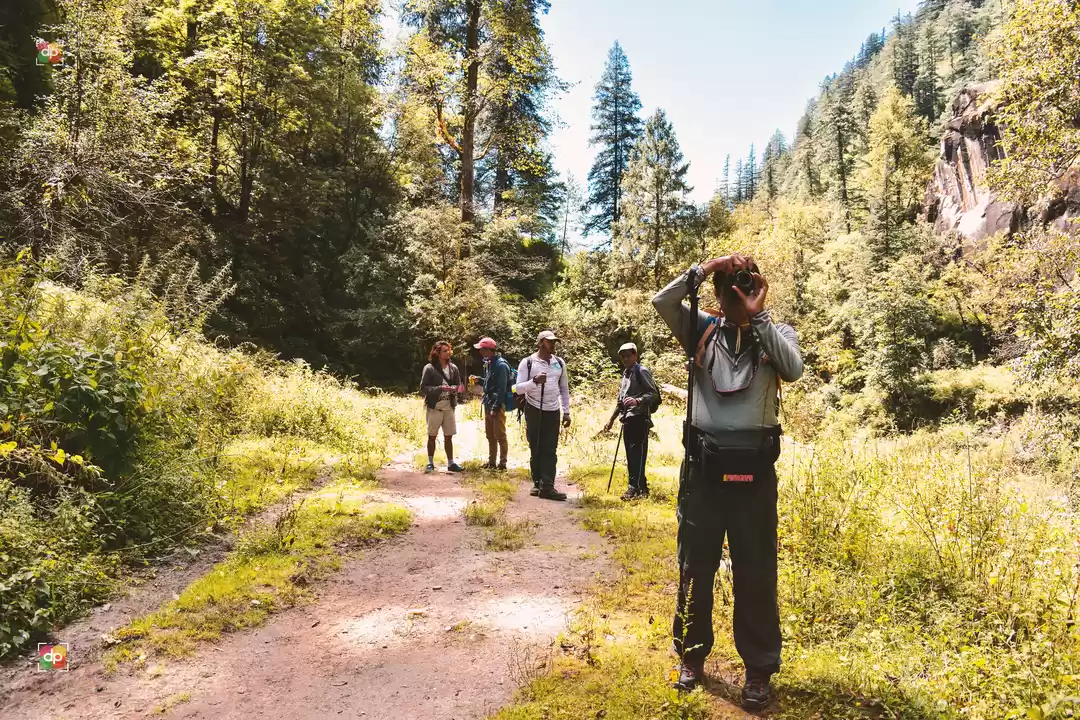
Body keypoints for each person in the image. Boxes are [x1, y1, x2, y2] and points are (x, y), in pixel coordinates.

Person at [652, 254, 803, 711]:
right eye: (728, 288)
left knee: (756, 570)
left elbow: (793, 370)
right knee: (695, 565)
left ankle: (758, 670)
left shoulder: (776, 333)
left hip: (755, 471)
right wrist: (708, 265)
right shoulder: (700, 328)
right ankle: (692, 657)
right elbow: (663, 300)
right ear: (715, 296)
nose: (737, 295)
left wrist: (760, 317)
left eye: (745, 286)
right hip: (703, 469)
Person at [516, 330, 572, 501]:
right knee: (536, 446)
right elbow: (517, 388)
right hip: (533, 408)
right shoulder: (528, 363)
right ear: (540, 343)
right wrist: (534, 382)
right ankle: (537, 482)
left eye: (555, 341)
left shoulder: (559, 363)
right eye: (550, 342)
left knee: (550, 448)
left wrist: (566, 411)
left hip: (553, 410)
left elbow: (564, 388)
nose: (553, 344)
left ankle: (547, 486)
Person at [603, 342, 658, 501]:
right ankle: (638, 488)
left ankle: (636, 489)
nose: (626, 359)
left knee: (637, 455)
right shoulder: (626, 374)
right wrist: (611, 420)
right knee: (631, 455)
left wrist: (638, 401)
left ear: (635, 355)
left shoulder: (642, 371)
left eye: (629, 355)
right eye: (623, 356)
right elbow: (621, 401)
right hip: (627, 419)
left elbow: (652, 394)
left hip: (640, 419)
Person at [420, 341, 466, 474]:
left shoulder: (453, 368)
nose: (448, 353)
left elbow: (458, 385)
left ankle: (451, 463)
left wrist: (456, 389)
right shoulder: (429, 368)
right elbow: (423, 388)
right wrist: (439, 388)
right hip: (435, 406)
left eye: (449, 350)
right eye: (445, 351)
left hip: (449, 406)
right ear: (437, 353)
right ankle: (430, 463)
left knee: (449, 436)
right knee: (432, 436)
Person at [474, 336, 513, 470]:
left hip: (497, 404)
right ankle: (491, 463)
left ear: (489, 350)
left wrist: (495, 407)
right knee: (490, 435)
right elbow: (490, 382)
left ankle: (502, 464)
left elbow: (502, 388)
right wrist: (479, 379)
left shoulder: (501, 365)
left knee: (500, 435)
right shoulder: (489, 363)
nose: (480, 352)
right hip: (488, 402)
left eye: (482, 349)